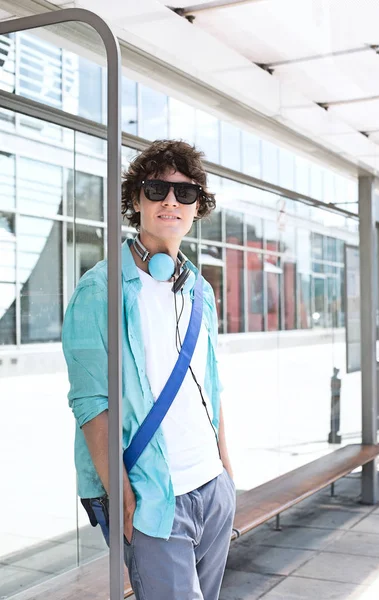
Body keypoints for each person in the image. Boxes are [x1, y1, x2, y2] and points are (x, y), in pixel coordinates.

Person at [62, 139, 236, 600]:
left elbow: (211, 387)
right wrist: (121, 501)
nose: (170, 202)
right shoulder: (99, 290)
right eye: (156, 189)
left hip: (212, 488)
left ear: (198, 207)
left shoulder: (200, 290)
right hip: (151, 496)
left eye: (185, 193)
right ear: (135, 200)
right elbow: (91, 404)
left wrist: (227, 478)